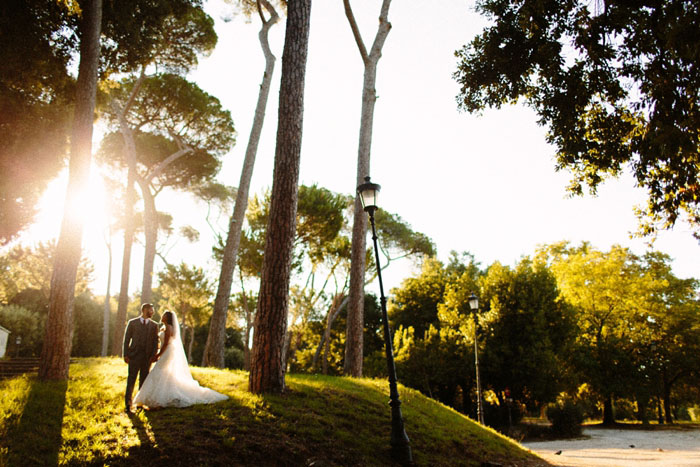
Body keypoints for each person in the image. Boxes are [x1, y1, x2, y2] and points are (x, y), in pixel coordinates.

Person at [133, 310, 228, 409]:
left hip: (167, 352)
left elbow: (165, 344)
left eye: (164, 315)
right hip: (166, 351)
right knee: (163, 373)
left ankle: (158, 400)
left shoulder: (169, 327)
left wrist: (158, 355)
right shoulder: (165, 328)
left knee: (159, 371)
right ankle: (158, 398)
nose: (162, 316)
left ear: (168, 318)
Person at [123, 303, 160, 414]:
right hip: (134, 356)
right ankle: (128, 405)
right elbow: (126, 339)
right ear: (144, 310)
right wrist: (125, 354)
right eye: (150, 310)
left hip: (147, 358)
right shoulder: (132, 323)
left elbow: (155, 342)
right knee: (131, 380)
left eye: (152, 311)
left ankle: (140, 403)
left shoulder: (154, 325)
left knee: (143, 381)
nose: (152, 312)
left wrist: (153, 355)